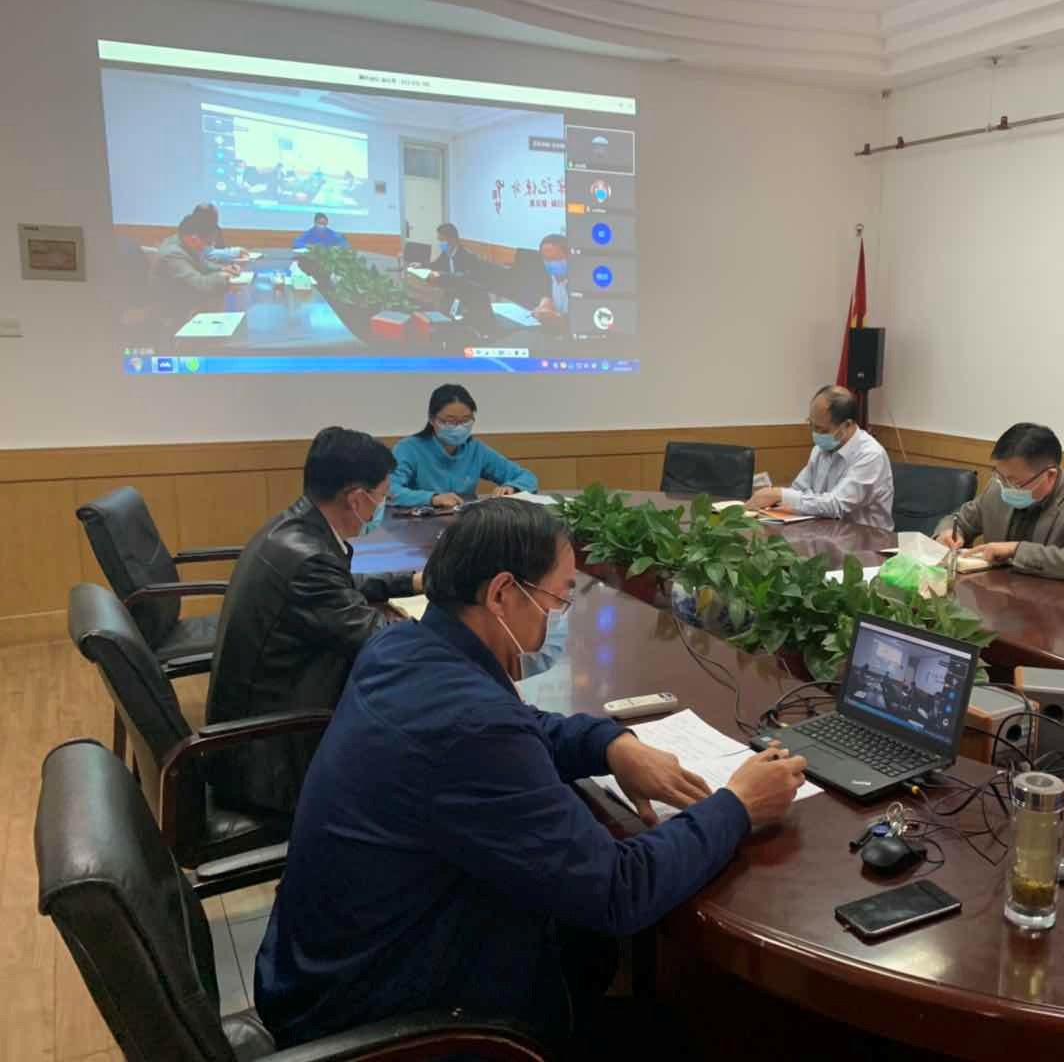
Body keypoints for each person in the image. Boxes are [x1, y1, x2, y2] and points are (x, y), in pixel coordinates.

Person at [253, 499, 808, 1053]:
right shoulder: (471, 725)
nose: (558, 616)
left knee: (590, 947)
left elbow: (521, 726)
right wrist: (738, 805)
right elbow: (619, 890)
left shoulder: (402, 646)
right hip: (387, 1012)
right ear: (501, 593)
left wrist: (611, 745)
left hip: (323, 965)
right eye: (557, 598)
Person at [205, 427, 422, 816]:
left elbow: (340, 588)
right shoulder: (310, 560)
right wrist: (454, 627)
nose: (382, 506)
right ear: (356, 498)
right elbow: (381, 642)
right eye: (382, 497)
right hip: (271, 764)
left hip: (258, 729)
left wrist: (413, 582)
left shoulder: (293, 529)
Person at [934, 422, 1064, 584]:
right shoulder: (997, 489)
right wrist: (948, 532)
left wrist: (1016, 550)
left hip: (1055, 604)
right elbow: (959, 520)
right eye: (1000, 476)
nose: (1005, 486)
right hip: (998, 599)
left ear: (1050, 475)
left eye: (1015, 482)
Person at [748, 385, 894, 531]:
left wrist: (780, 494)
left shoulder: (871, 455)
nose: (815, 433)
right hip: (825, 533)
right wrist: (772, 499)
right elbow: (799, 489)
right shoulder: (821, 448)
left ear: (847, 425)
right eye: (811, 424)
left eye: (821, 429)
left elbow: (836, 505)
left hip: (866, 539)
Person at [391, 384, 539, 508]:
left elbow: (527, 477)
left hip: (464, 524)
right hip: (417, 524)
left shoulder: (476, 449)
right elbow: (390, 490)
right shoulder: (408, 449)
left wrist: (512, 487)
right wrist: (432, 498)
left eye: (465, 420)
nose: (458, 427)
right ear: (432, 419)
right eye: (450, 421)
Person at [151, 209, 239, 308]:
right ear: (194, 239)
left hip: (186, 301)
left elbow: (202, 264)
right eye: (208, 243)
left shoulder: (184, 241)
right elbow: (200, 285)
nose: (208, 247)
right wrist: (223, 276)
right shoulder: (173, 254)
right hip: (173, 310)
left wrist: (223, 268)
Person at [531, 233, 570, 322]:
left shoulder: (581, 283)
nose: (551, 263)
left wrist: (557, 317)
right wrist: (542, 308)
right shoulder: (547, 279)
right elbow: (545, 298)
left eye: (555, 258)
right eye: (546, 259)